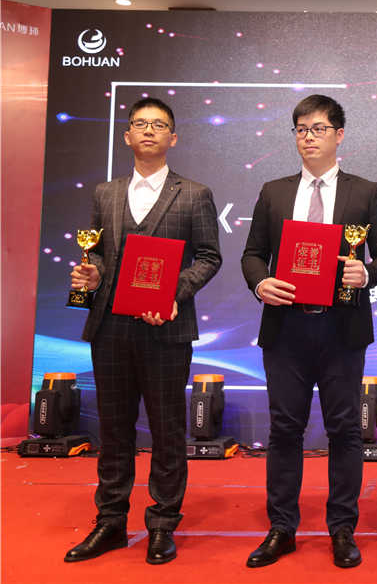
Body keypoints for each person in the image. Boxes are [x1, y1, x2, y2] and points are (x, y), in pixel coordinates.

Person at [241, 94, 377, 569]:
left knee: (345, 430)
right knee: (284, 429)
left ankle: (342, 528)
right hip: (286, 328)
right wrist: (260, 283)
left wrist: (367, 272)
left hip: (341, 329)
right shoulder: (274, 192)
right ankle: (281, 528)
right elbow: (252, 254)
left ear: (339, 134)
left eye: (318, 129)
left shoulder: (364, 191)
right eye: (301, 129)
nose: (308, 137)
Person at [65, 97, 222, 565]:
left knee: (168, 429)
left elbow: (209, 257)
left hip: (166, 328)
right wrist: (90, 274)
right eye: (140, 123)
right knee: (113, 429)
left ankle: (162, 523)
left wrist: (172, 294)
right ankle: (111, 521)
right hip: (110, 326)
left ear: (173, 137)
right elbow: (97, 254)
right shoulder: (106, 193)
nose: (149, 130)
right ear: (127, 136)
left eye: (159, 124)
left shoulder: (194, 194)